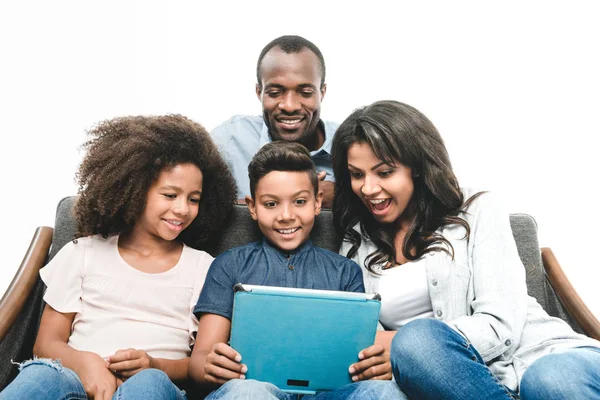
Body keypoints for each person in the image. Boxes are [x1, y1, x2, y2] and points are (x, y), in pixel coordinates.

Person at [332, 100, 600, 399]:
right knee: (413, 345)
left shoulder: (479, 210)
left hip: (539, 355)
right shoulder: (356, 241)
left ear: (417, 168)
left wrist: (403, 344)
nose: (368, 188)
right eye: (357, 175)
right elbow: (370, 341)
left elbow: (502, 323)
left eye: (384, 173)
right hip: (443, 383)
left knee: (550, 379)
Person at [0, 115, 236, 400]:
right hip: (76, 377)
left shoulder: (203, 267)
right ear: (135, 190)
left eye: (193, 199)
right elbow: (47, 343)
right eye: (170, 195)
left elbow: (197, 365)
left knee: (148, 383)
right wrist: (86, 363)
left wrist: (153, 365)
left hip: (154, 385)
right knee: (40, 374)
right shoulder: (82, 252)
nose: (183, 209)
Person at [188, 141, 403, 399]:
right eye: (271, 204)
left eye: (299, 201)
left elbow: (359, 354)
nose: (286, 215)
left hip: (326, 394)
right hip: (250, 389)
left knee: (381, 392)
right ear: (253, 207)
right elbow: (199, 359)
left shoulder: (345, 272)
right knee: (249, 393)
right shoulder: (229, 264)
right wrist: (211, 366)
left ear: (317, 202)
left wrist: (373, 365)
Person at [211, 35, 338, 208]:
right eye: (275, 92)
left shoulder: (350, 144)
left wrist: (343, 197)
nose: (289, 106)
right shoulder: (228, 141)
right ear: (259, 92)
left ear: (322, 92)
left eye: (305, 92)